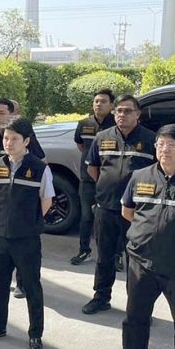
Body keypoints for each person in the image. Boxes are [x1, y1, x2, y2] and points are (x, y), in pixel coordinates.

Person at [0, 118, 55, 349]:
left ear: (27, 141)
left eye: (14, 139)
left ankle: (35, 335)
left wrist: (27, 222)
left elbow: (46, 201)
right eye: (6, 138)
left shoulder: (39, 168)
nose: (8, 143)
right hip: (0, 236)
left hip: (26, 239)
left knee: (32, 287)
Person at [108, 124, 175, 349]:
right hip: (141, 261)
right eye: (161, 144)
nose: (165, 150)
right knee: (136, 316)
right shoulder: (140, 176)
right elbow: (128, 211)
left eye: (172, 145)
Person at [83, 94, 156, 314]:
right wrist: (109, 187)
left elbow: (157, 174)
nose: (122, 114)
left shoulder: (150, 139)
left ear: (138, 114)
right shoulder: (102, 137)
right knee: (104, 257)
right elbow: (93, 168)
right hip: (106, 208)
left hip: (137, 212)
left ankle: (137, 307)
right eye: (119, 110)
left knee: (137, 262)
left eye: (127, 111)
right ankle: (101, 297)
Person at [70, 89, 116, 266]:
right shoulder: (84, 124)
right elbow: (81, 145)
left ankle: (116, 254)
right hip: (87, 179)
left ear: (111, 105)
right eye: (96, 101)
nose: (99, 104)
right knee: (86, 216)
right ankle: (84, 250)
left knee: (112, 218)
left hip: (110, 180)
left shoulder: (117, 124)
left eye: (103, 101)